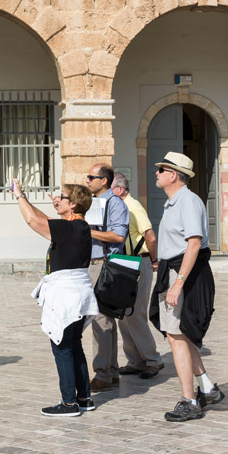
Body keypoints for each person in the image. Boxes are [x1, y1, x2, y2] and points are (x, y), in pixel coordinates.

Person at [12, 178, 99, 417]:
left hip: (66, 294)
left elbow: (32, 220)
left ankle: (69, 403)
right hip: (78, 293)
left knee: (61, 346)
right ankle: (84, 398)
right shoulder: (77, 227)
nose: (57, 199)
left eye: (62, 197)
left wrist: (19, 195)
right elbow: (44, 220)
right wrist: (50, 204)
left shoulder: (70, 228)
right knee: (74, 345)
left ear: (74, 205)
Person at [151, 152, 224, 422]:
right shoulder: (172, 203)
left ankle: (189, 400)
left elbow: (194, 243)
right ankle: (207, 388)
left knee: (176, 336)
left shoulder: (188, 201)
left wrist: (178, 283)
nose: (156, 173)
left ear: (173, 175)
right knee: (179, 334)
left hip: (183, 273)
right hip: (174, 271)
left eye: (161, 170)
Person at [109, 172, 164, 379]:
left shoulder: (133, 207)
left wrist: (153, 258)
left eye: (111, 189)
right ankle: (135, 360)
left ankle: (153, 360)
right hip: (125, 263)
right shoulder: (120, 208)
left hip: (139, 261)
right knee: (123, 314)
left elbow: (150, 236)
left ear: (120, 189)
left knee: (137, 313)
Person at [83, 164, 130, 391]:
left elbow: (118, 235)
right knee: (105, 321)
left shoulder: (115, 204)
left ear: (104, 181)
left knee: (100, 321)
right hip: (94, 264)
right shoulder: (95, 203)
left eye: (91, 177)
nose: (87, 180)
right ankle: (110, 372)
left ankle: (102, 374)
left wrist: (85, 231)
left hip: (103, 266)